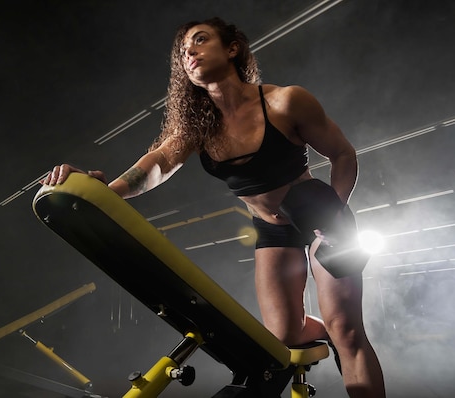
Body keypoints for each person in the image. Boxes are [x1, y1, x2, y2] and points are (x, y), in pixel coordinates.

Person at [44, 17, 385, 397]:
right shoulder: (198, 128)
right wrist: (107, 191)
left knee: (348, 328)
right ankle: (328, 334)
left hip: (319, 213)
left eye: (200, 40)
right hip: (271, 229)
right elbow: (158, 163)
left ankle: (340, 335)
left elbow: (343, 154)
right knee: (283, 337)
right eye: (183, 50)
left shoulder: (285, 101)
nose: (188, 52)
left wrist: (336, 214)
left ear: (232, 48)